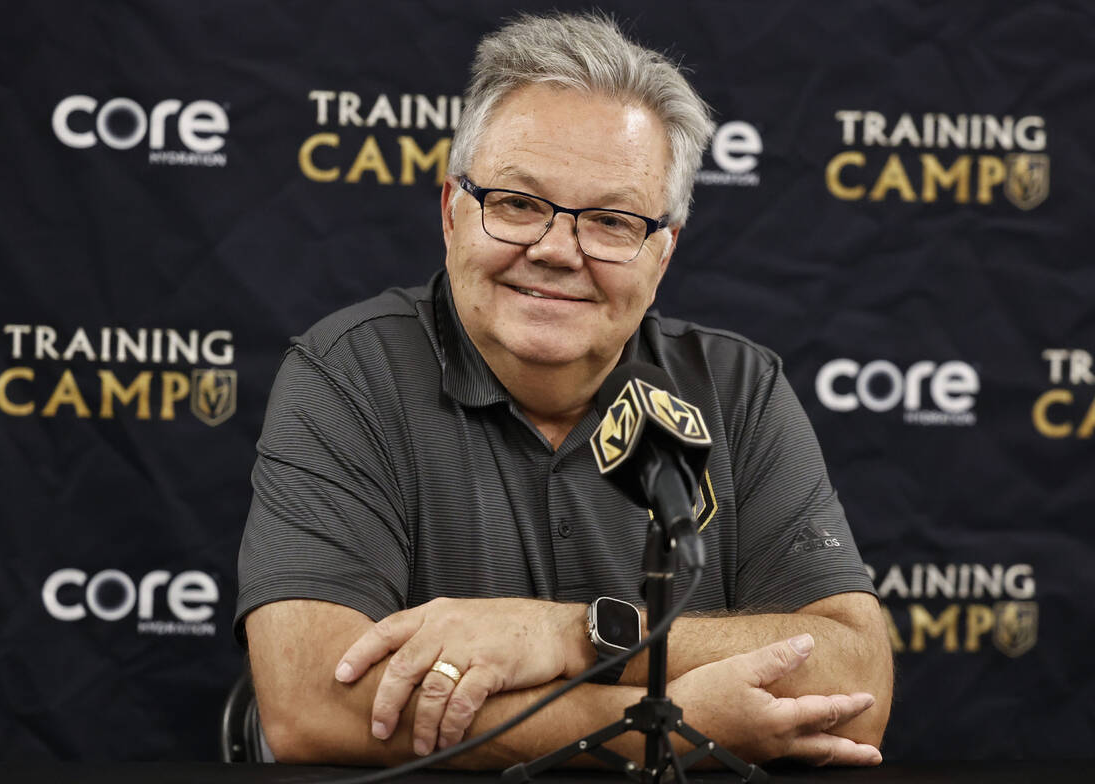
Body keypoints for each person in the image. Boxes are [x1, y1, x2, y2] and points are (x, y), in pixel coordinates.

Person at [236, 11, 892, 770]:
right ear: (452, 212)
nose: (555, 251)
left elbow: (856, 677)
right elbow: (309, 705)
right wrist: (671, 724)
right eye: (518, 204)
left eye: (612, 221)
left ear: (663, 251)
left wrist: (565, 632)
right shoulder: (347, 375)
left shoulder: (738, 390)